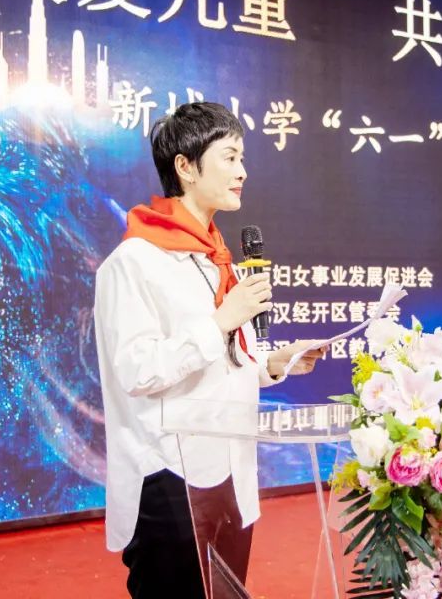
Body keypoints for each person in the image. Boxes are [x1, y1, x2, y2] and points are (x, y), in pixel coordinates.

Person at [94, 102, 325, 598]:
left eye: (243, 158)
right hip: (169, 478)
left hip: (231, 473)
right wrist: (222, 320)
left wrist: (275, 363)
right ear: (186, 166)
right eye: (230, 157)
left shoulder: (216, 256)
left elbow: (225, 359)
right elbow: (137, 370)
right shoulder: (133, 262)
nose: (243, 172)